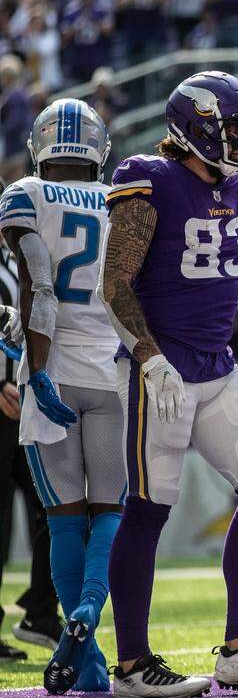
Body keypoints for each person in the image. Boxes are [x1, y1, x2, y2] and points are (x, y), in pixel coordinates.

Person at [100, 71, 238, 697]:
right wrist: (149, 356)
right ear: (194, 128)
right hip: (159, 369)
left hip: (219, 366)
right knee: (148, 507)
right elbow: (114, 284)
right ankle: (133, 667)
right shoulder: (151, 180)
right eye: (235, 129)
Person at [0, 99, 121, 694]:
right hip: (111, 371)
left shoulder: (25, 194)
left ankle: (88, 652)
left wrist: (37, 367)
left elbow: (41, 287)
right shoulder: (120, 198)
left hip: (53, 369)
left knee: (64, 520)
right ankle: (89, 627)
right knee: (111, 512)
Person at [0, 234, 60, 663]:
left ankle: (41, 609)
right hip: (1, 402)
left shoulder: (12, 257)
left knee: (53, 505)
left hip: (20, 402)